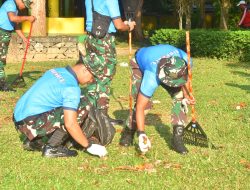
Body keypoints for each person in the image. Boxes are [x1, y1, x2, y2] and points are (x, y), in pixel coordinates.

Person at [13, 62, 115, 158]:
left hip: (20, 118)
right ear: (84, 69)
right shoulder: (71, 88)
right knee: (83, 103)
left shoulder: (56, 71)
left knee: (65, 105)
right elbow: (70, 124)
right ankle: (52, 147)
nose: (91, 81)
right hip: (32, 121)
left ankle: (35, 142)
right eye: (93, 77)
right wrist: (89, 146)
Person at [119, 44, 195, 155]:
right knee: (145, 104)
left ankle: (177, 139)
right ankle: (129, 131)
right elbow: (141, 106)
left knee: (180, 98)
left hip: (164, 62)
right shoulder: (151, 77)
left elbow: (185, 78)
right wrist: (142, 134)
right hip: (139, 63)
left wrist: (187, 96)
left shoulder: (186, 60)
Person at [82, 0, 136, 126]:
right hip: (104, 40)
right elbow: (118, 25)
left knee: (93, 76)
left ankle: (89, 113)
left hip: (90, 38)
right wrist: (129, 25)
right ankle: (102, 117)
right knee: (105, 77)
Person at [0, 0, 36, 91]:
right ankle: (2, 85)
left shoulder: (14, 7)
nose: (24, 8)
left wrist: (24, 38)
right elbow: (12, 18)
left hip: (5, 34)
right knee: (0, 60)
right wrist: (27, 18)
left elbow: (15, 24)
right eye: (25, 5)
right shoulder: (10, 4)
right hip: (1, 33)